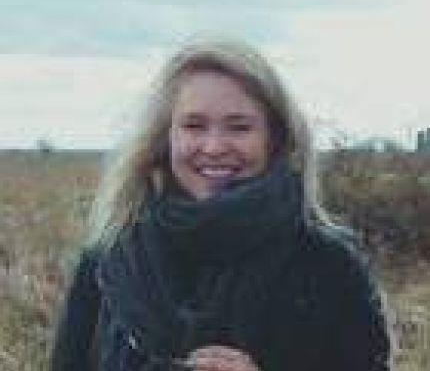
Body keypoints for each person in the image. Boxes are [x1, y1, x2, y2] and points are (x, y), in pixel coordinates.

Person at [50, 39, 393, 371]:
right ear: (165, 138)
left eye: (239, 128)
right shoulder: (109, 261)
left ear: (274, 139)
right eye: (194, 126)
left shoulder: (328, 265)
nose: (214, 147)